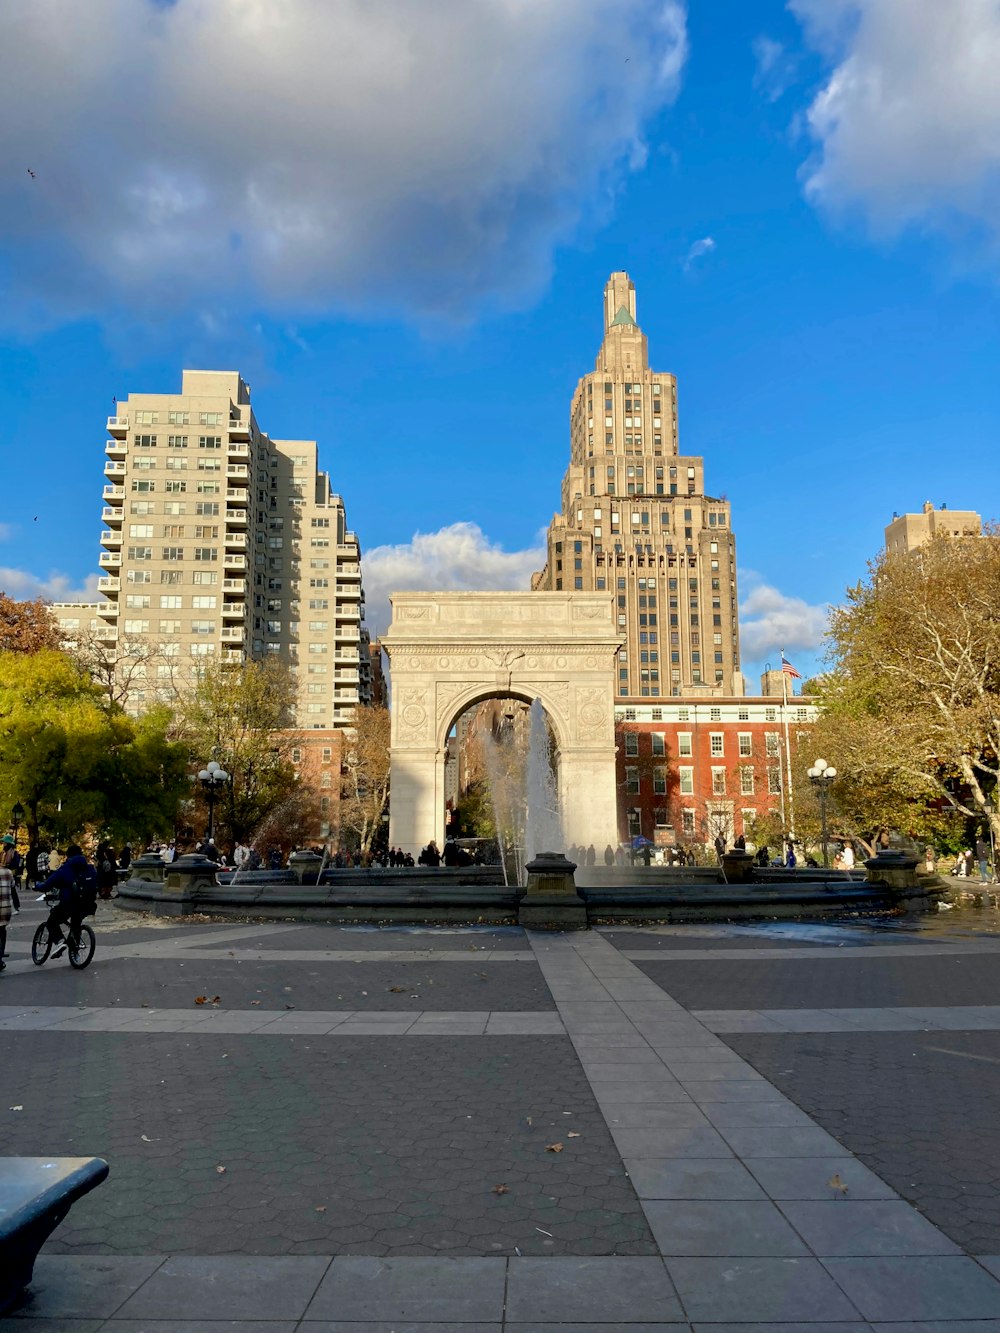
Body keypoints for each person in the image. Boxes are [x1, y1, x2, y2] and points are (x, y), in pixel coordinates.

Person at [37, 844, 97, 959]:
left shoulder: (65, 868)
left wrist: (38, 886)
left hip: (69, 903)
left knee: (52, 921)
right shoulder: (89, 868)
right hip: (87, 904)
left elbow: (47, 885)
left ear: (68, 856)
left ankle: (60, 942)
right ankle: (75, 953)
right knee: (76, 924)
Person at [0, 835, 21, 912]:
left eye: (4, 842)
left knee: (12, 890)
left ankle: (16, 907)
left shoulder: (14, 853)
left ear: (8, 843)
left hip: (10, 874)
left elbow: (16, 864)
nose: (3, 844)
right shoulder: (2, 852)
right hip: (2, 873)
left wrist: (7, 865)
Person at [0, 856, 13, 971]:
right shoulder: (8, 872)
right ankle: (1, 955)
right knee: (2, 930)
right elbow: (12, 886)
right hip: (5, 907)